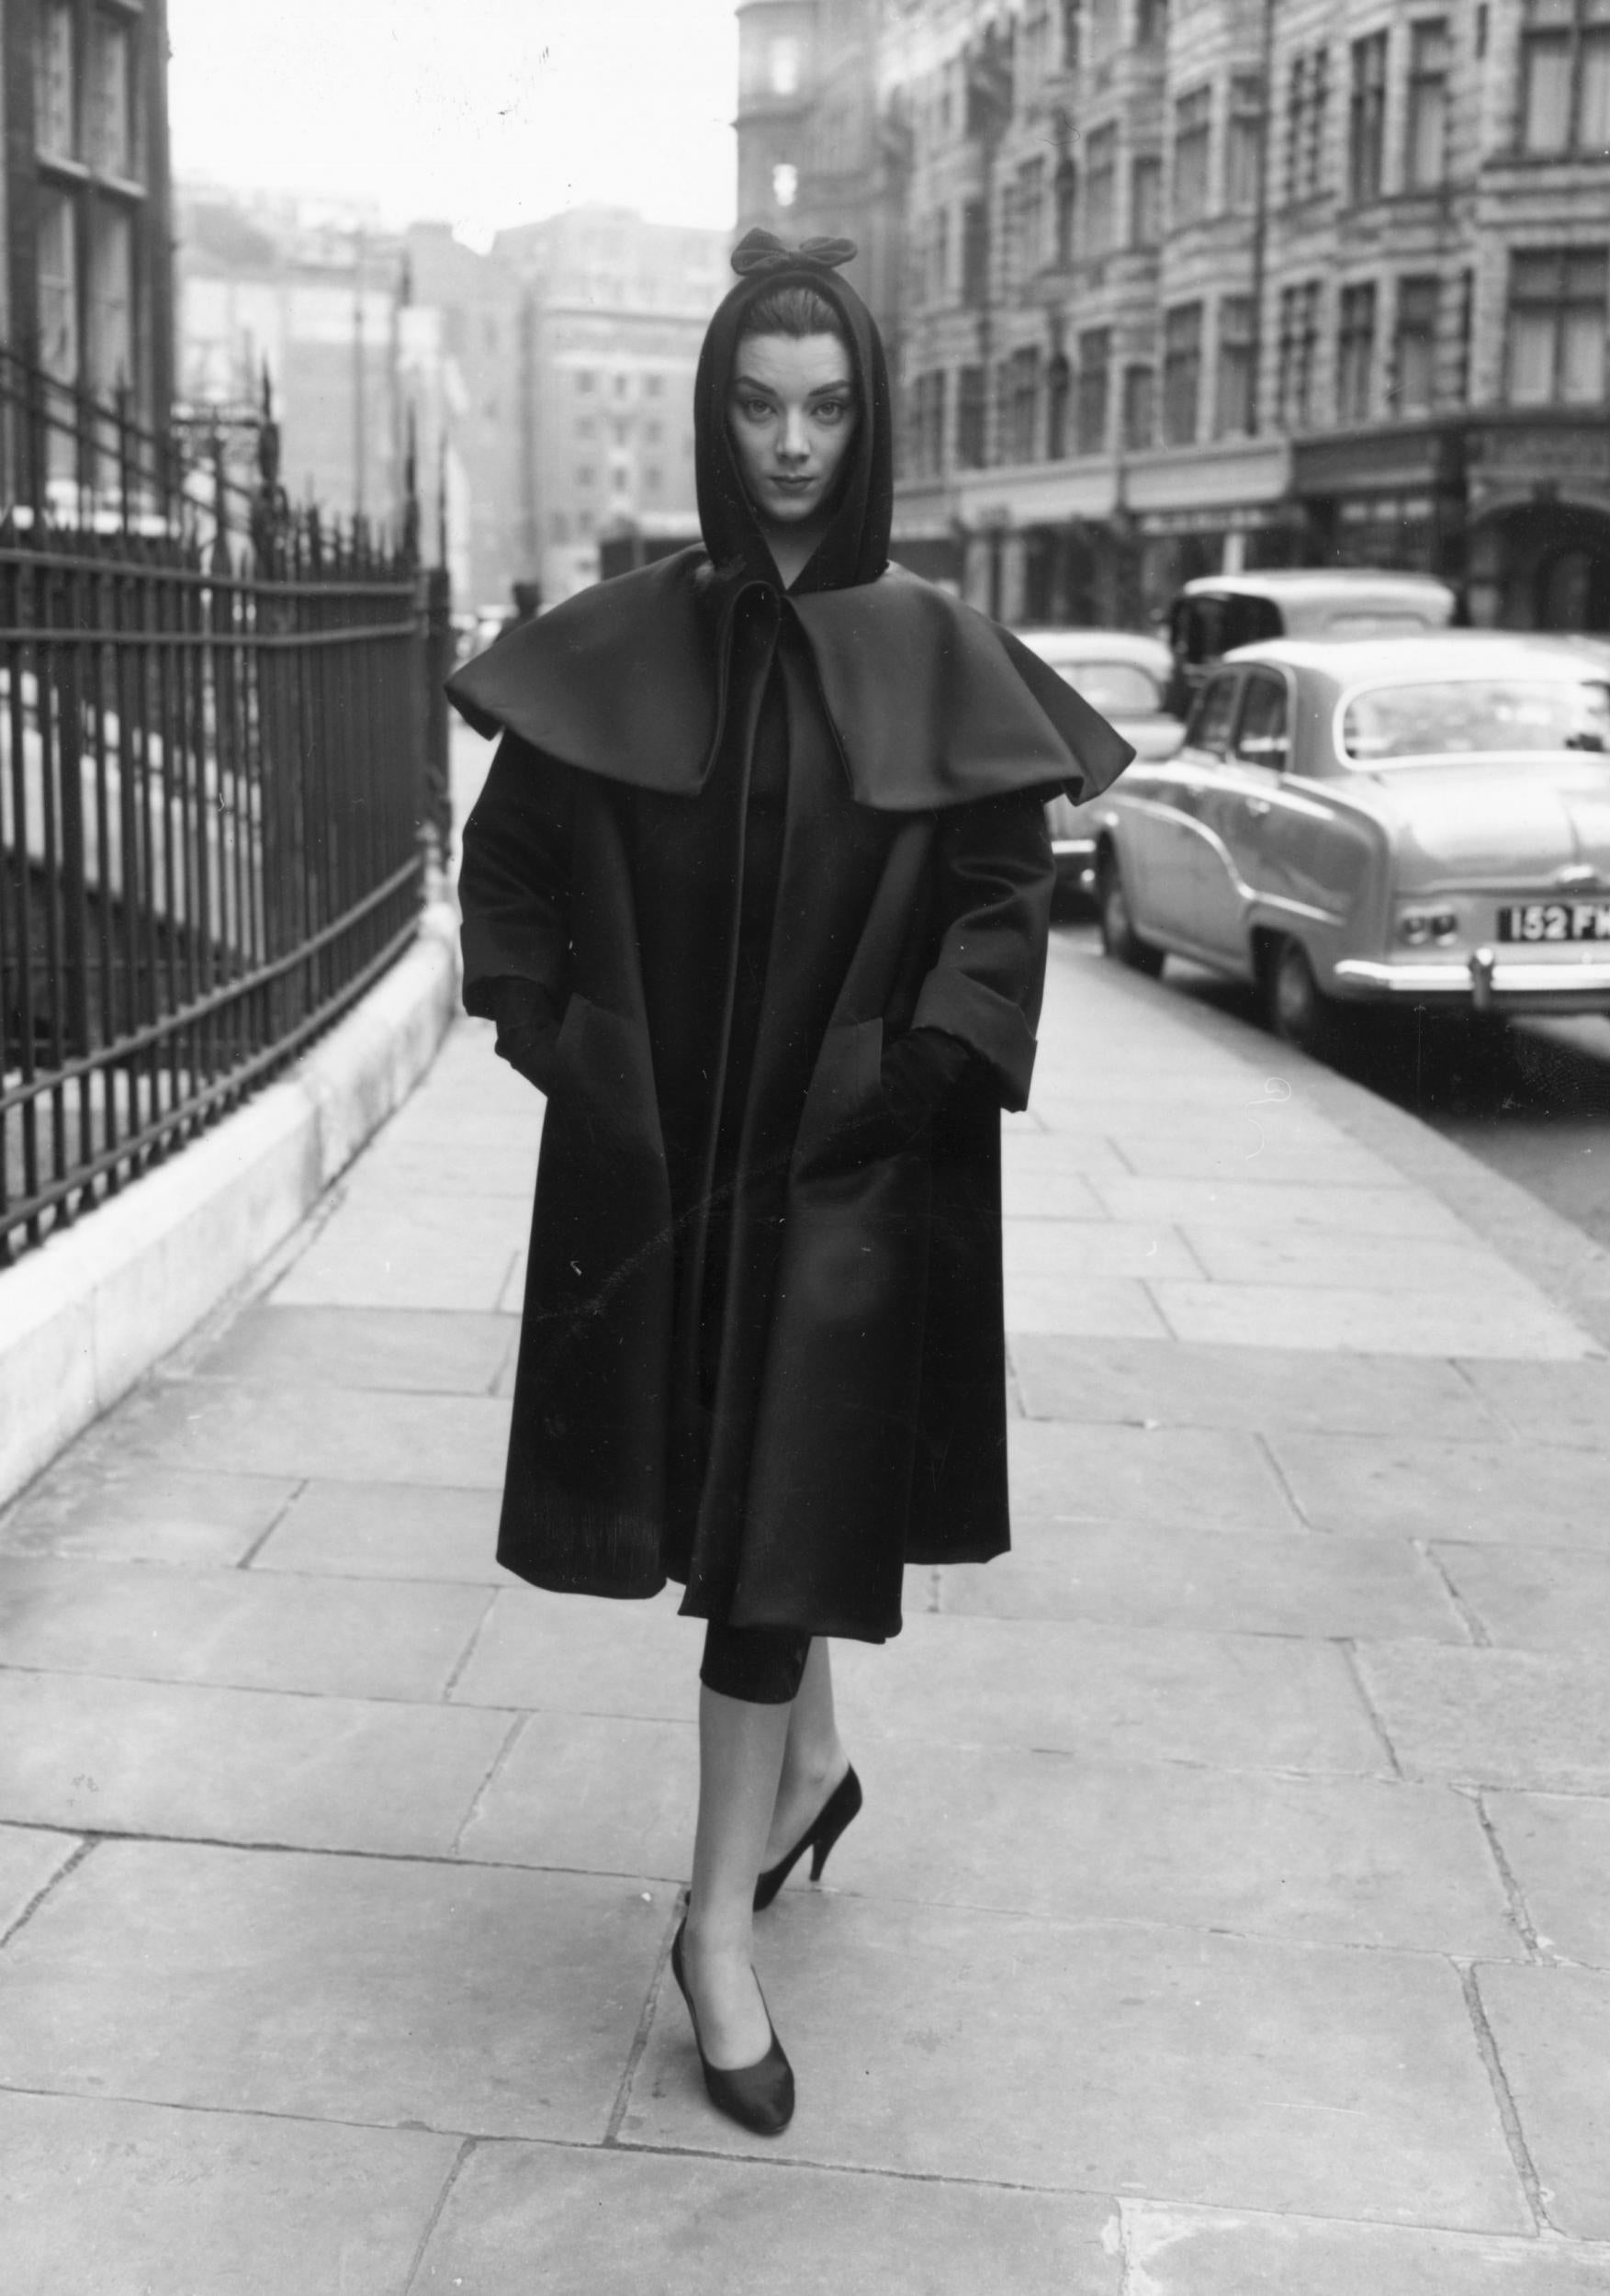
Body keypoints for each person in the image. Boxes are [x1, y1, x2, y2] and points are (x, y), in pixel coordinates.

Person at [448, 230, 1128, 2136]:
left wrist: (921, 1063)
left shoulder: (937, 646)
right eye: (755, 403)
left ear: (873, 419)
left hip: (846, 1160)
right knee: (759, 1494)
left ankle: (707, 1926)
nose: (790, 442)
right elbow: (505, 879)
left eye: (826, 407)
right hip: (669, 1156)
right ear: (710, 413)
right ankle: (813, 1762)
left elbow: (1006, 886)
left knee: (776, 1513)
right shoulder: (629, 637)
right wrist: (560, 1043)